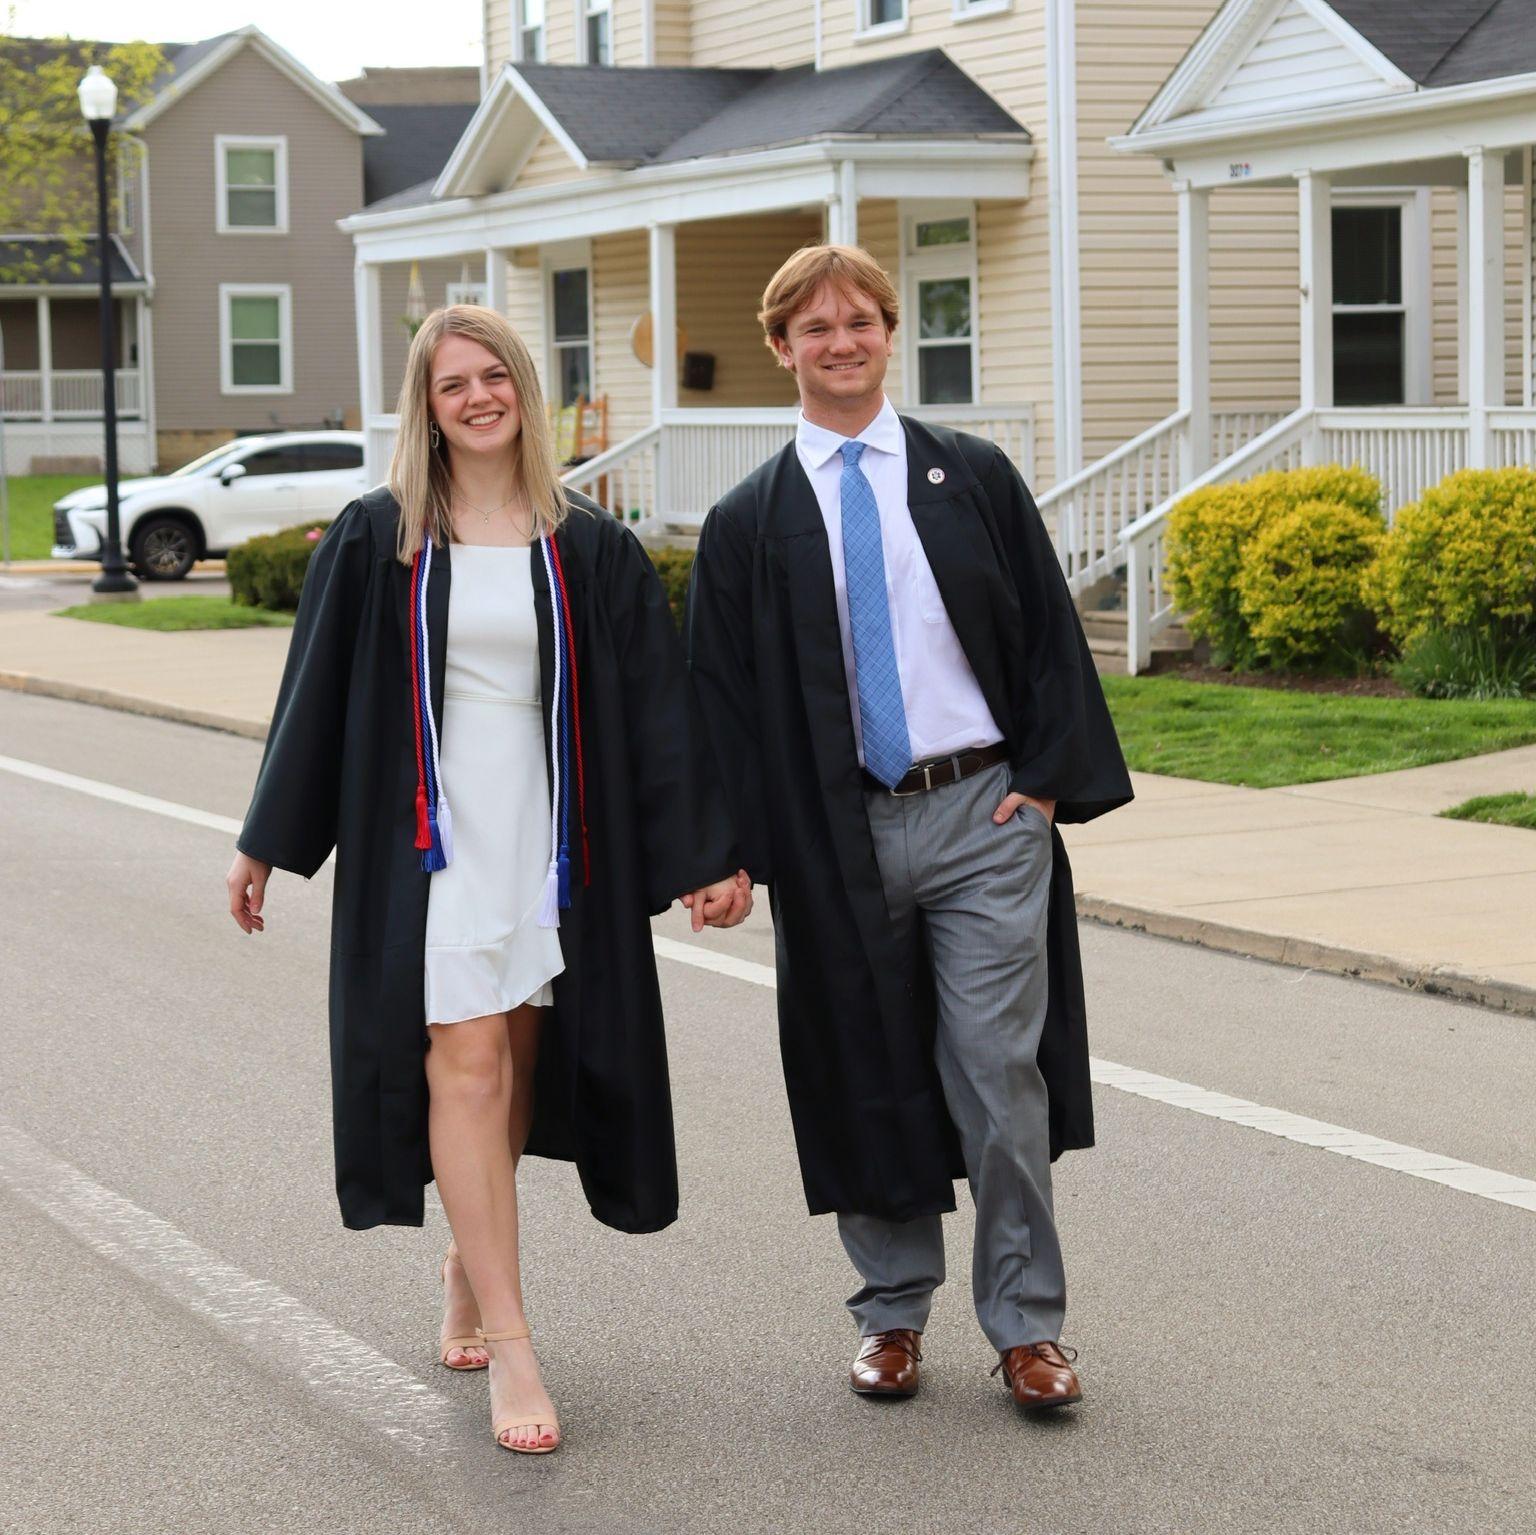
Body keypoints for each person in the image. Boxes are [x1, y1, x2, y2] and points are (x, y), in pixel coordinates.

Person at [227, 305, 750, 1455]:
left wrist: (707, 853)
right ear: (426, 405)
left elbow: (658, 711)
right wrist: (265, 838)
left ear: (523, 387)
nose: (477, 397)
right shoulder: (381, 539)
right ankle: (515, 1343)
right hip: (430, 843)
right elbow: (314, 693)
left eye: (493, 375)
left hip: (551, 839)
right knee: (463, 1060)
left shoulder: (588, 547)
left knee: (513, 1060)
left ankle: (471, 1260)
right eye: (452, 382)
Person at [685, 245, 1131, 1413]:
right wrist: (722, 851)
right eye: (815, 327)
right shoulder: (749, 519)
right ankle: (890, 1311)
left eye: (860, 321)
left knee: (998, 1070)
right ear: (781, 347)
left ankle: (1027, 1324)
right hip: (836, 831)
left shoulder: (970, 477)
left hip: (982, 812)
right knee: (862, 1063)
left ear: (891, 332)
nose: (841, 342)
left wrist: (1043, 785)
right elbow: (719, 700)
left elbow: (1047, 633)